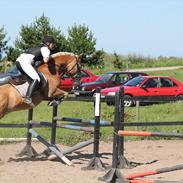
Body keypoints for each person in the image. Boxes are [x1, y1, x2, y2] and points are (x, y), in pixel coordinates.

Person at [16, 35, 55, 104]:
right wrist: (50, 57)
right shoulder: (45, 49)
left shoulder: (38, 46)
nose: (53, 45)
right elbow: (45, 60)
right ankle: (28, 97)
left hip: (18, 61)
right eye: (52, 43)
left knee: (30, 78)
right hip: (25, 62)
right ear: (48, 43)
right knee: (36, 78)